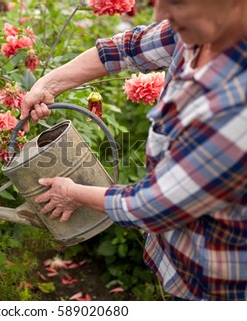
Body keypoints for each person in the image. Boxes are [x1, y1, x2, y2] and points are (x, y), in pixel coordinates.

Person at [20, 0, 247, 301]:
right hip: (180, 259)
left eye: (177, 2)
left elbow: (154, 205)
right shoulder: (205, 30)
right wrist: (49, 83)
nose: (159, 14)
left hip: (216, 286)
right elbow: (128, 48)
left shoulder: (236, 106)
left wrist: (72, 192)